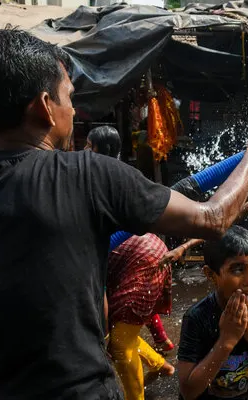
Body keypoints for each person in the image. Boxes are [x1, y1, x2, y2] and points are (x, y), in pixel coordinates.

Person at [0, 29, 248, 399]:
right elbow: (212, 218)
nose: (73, 107)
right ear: (44, 107)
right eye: (69, 96)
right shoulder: (87, 175)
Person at [86, 126, 176, 354]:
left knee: (119, 337)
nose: (84, 150)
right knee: (137, 299)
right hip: (149, 246)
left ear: (96, 147)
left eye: (87, 145)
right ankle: (162, 344)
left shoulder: (91, 177)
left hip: (132, 251)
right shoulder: (126, 172)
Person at [177, 226, 248, 400]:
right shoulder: (197, 317)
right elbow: (188, 392)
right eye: (237, 269)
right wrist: (227, 340)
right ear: (211, 275)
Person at [107, 234, 176, 400]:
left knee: (120, 345)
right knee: (124, 333)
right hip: (148, 250)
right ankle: (160, 365)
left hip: (142, 257)